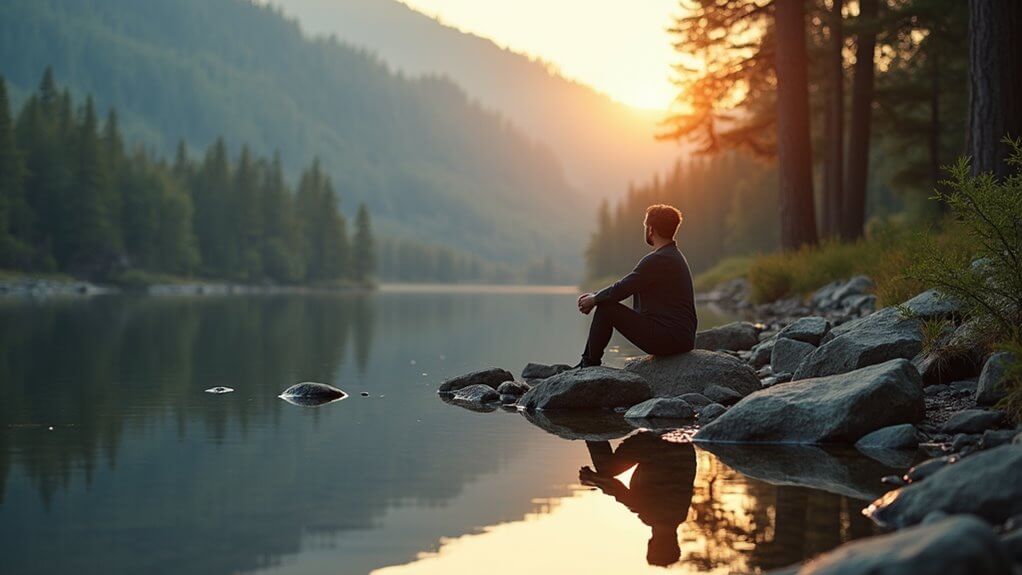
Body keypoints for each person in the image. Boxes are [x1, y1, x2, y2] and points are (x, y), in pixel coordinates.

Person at [575, 204, 697, 368]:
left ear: (651, 230)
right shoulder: (671, 256)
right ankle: (587, 361)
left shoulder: (659, 259)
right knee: (606, 303)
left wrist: (595, 299)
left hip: (670, 339)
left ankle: (588, 364)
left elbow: (622, 288)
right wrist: (596, 297)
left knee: (607, 309)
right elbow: (627, 285)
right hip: (679, 338)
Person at [580, 432, 697, 567]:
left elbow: (622, 495)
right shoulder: (654, 517)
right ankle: (591, 430)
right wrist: (594, 480)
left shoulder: (680, 515)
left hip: (682, 444)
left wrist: (598, 482)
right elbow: (618, 491)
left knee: (609, 474)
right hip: (656, 445)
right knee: (607, 469)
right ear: (652, 543)